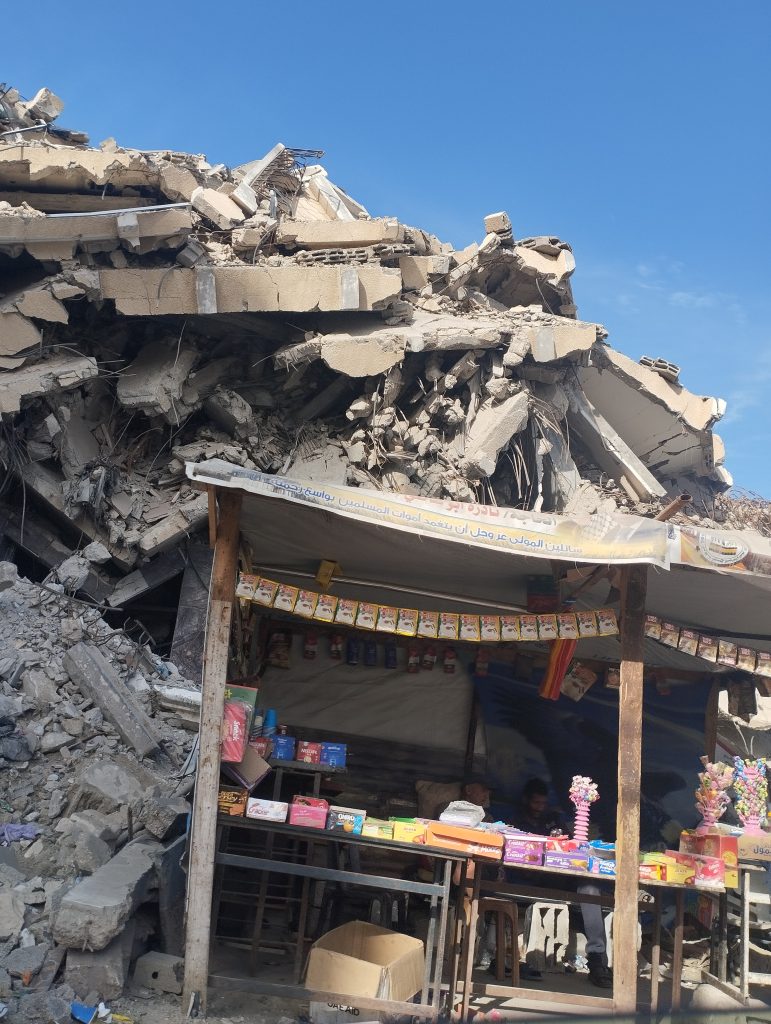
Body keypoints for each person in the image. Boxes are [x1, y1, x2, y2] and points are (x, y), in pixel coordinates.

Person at [512, 778, 612, 989]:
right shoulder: (516, 822)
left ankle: (597, 961)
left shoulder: (552, 819)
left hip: (561, 876)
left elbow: (569, 845)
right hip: (534, 879)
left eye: (542, 803)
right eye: (535, 803)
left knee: (590, 887)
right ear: (525, 800)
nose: (539, 808)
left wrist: (558, 839)